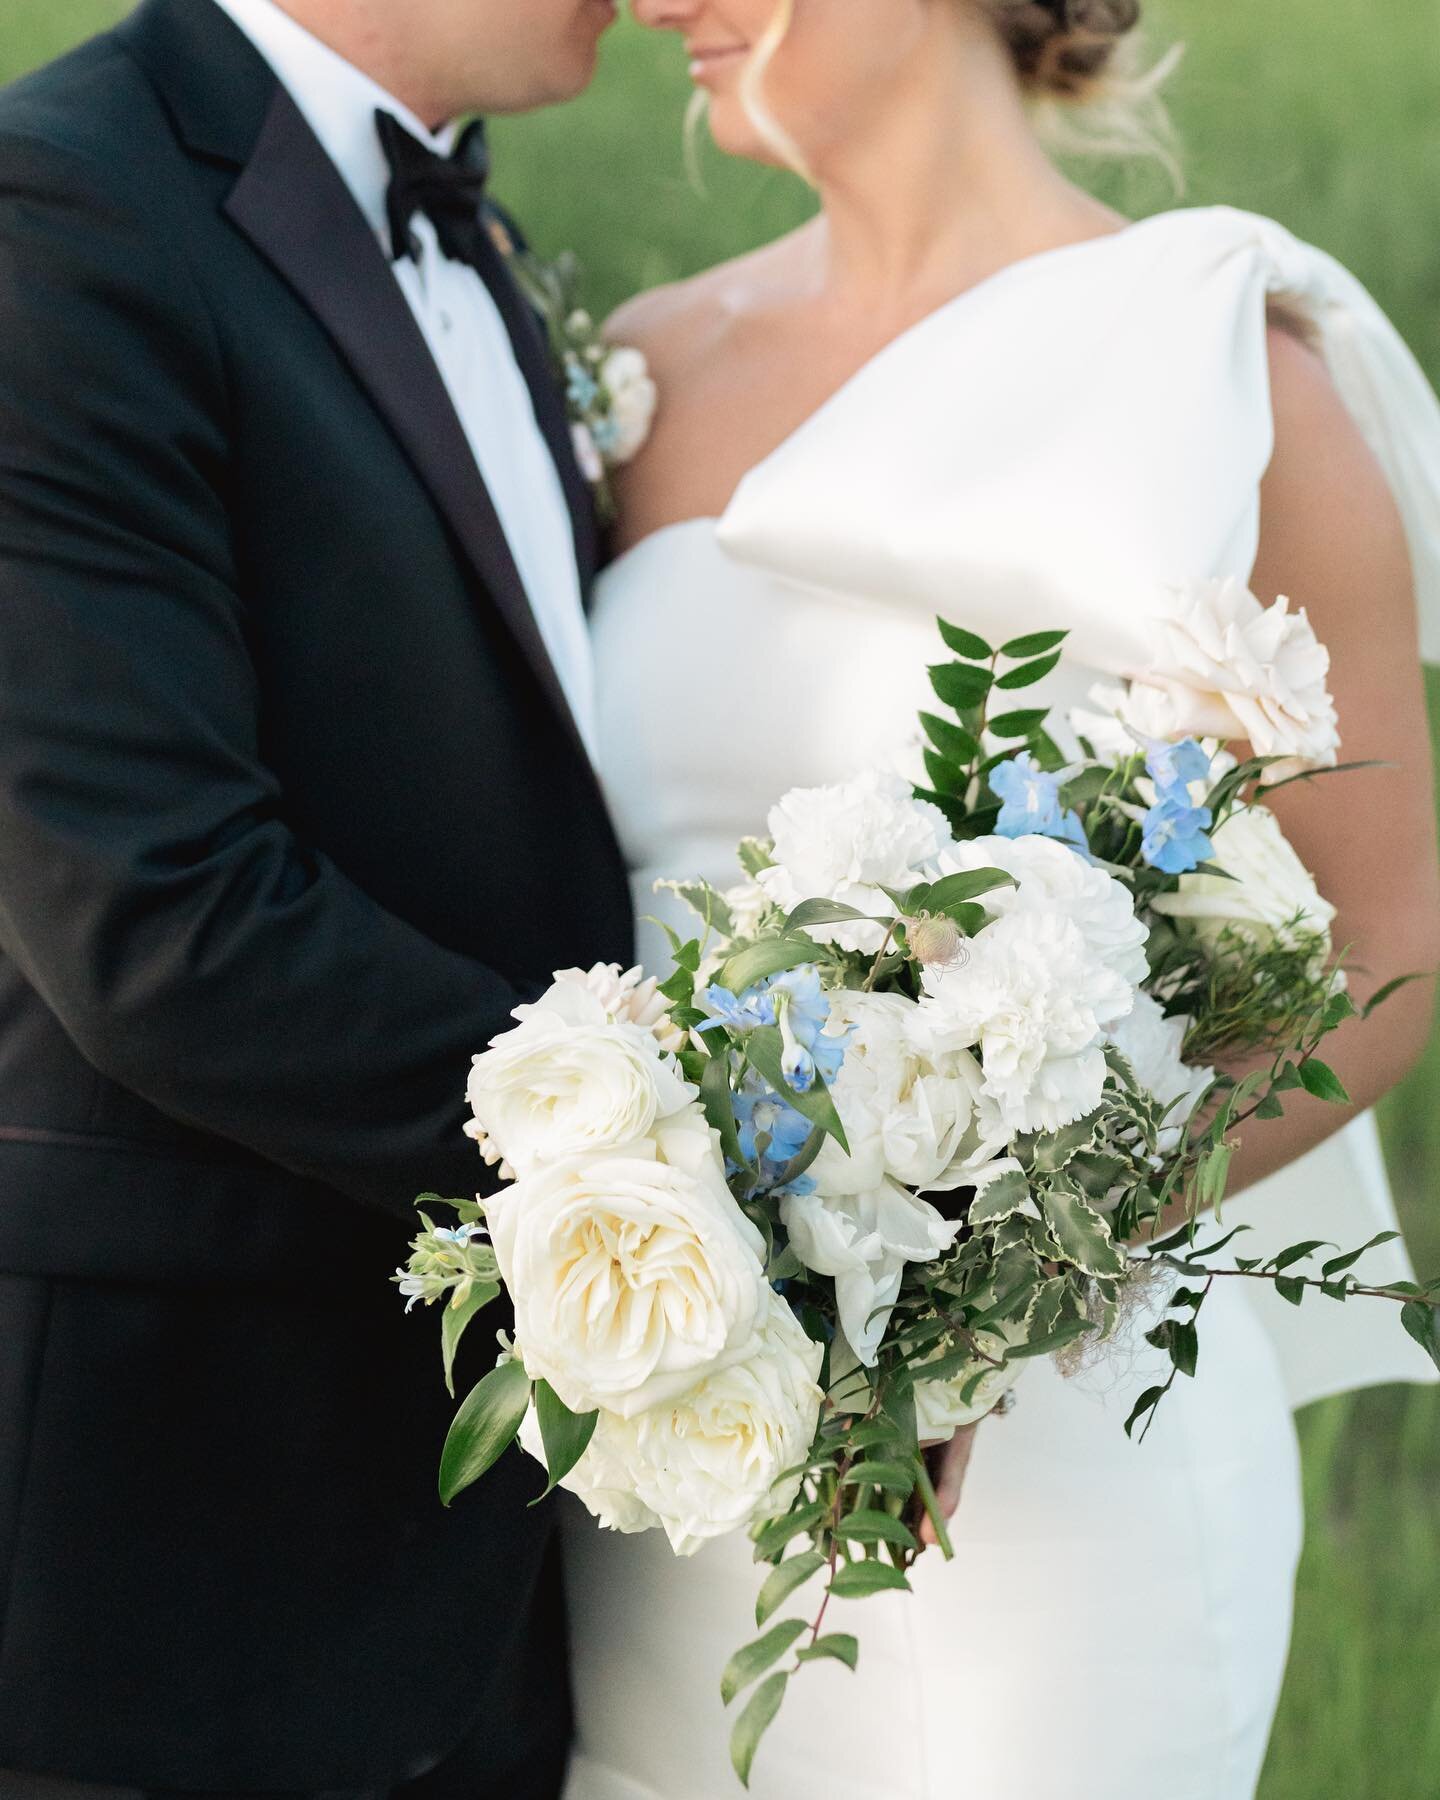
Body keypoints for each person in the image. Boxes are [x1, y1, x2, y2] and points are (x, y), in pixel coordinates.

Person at [566, 1, 1440, 1795]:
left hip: (1044, 1470)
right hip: (663, 1422)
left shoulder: (1218, 369)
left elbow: (1391, 942)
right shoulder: (638, 368)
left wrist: (978, 1307)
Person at [0, 0, 628, 1794]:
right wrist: (715, 1168)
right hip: (169, 1557)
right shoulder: (59, 208)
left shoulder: (451, 224)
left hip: (484, 1546)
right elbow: (157, 910)